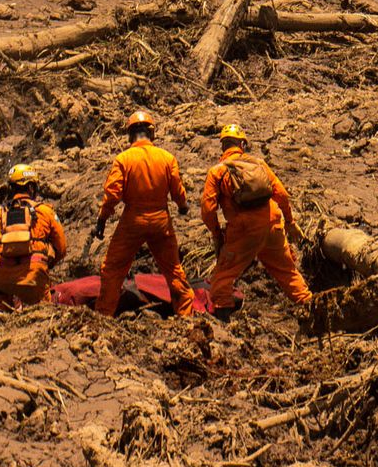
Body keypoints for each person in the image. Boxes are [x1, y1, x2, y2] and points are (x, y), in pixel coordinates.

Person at [200, 123, 311, 319]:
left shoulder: (217, 172)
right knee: (288, 272)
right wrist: (290, 222)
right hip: (273, 223)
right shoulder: (259, 164)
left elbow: (208, 211)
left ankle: (223, 322)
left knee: (222, 278)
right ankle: (311, 307)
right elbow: (282, 195)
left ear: (222, 146)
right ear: (242, 144)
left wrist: (218, 235)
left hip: (244, 230)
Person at [93, 110, 196, 317]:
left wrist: (102, 219)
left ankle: (103, 317)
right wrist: (183, 206)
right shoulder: (167, 158)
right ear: (151, 133)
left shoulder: (123, 159)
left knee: (112, 270)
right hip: (161, 220)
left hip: (133, 221)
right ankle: (186, 316)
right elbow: (177, 191)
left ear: (130, 135)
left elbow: (112, 194)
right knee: (174, 270)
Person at [0, 164, 66, 309]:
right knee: (44, 309)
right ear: (31, 188)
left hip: (2, 279)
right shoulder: (45, 211)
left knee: (3, 309)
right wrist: (48, 263)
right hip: (34, 277)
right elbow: (62, 248)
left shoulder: (0, 213)